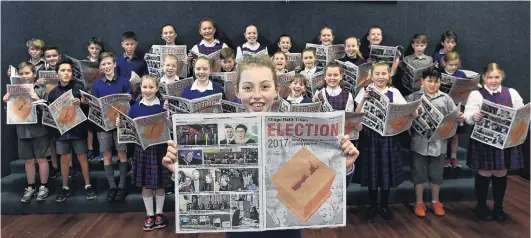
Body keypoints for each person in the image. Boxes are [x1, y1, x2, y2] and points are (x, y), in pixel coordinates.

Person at [162, 55, 359, 238]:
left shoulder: (297, 134)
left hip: (285, 232)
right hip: (241, 232)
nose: (257, 95)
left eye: (265, 87)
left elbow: (319, 191)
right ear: (237, 91)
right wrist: (181, 171)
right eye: (248, 88)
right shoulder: (224, 136)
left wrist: (346, 166)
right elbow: (208, 187)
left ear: (276, 89)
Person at [354, 61, 418, 220]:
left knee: (385, 172)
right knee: (372, 172)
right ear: (371, 75)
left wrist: (413, 113)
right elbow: (356, 114)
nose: (381, 77)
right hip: (370, 137)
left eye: (384, 74)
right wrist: (364, 100)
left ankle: (384, 205)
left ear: (389, 75)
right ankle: (372, 205)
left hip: (389, 137)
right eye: (377, 74)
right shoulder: (365, 91)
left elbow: (405, 111)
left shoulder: (394, 92)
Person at [463, 63, 525, 222]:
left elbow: (521, 112)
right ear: (484, 78)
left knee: (501, 173)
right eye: (490, 77)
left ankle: (498, 207)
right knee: (484, 172)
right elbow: (467, 115)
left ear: (502, 76)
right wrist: (474, 116)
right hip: (484, 141)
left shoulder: (511, 93)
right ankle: (481, 206)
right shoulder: (476, 95)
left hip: (504, 141)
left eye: (496, 77)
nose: (493, 80)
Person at [115, 74, 170, 231]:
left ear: (157, 89)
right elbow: (129, 129)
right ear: (140, 88)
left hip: (160, 149)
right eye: (145, 87)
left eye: (151, 87)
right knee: (146, 184)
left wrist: (168, 115)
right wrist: (120, 123)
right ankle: (150, 214)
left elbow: (169, 127)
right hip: (142, 150)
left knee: (160, 183)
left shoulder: (162, 107)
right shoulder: (135, 108)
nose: (148, 90)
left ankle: (159, 213)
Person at [406, 69, 464, 217]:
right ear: (422, 81)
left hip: (440, 144)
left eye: (436, 81)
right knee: (419, 174)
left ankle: (435, 201)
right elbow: (403, 120)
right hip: (419, 143)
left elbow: (455, 117)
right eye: (429, 81)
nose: (433, 84)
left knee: (436, 174)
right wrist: (411, 115)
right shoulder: (413, 97)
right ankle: (419, 202)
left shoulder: (446, 99)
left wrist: (459, 118)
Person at [47, 60, 96, 203]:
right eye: (62, 70)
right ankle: (65, 187)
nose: (66, 73)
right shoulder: (53, 93)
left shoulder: (78, 88)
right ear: (57, 74)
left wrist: (81, 104)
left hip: (78, 130)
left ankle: (88, 185)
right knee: (64, 159)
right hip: (62, 132)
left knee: (82, 157)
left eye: (68, 70)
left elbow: (88, 109)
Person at [88, 52, 133, 202]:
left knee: (122, 154)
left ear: (114, 64)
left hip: (121, 125)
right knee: (106, 155)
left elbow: (130, 103)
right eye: (103, 64)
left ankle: (121, 186)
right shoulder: (97, 85)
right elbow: (94, 107)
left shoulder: (124, 82)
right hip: (104, 126)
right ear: (100, 67)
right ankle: (112, 186)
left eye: (109, 63)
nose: (106, 66)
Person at [3, 62, 51, 203]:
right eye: (22, 74)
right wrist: (7, 102)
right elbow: (11, 113)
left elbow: (48, 110)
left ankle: (44, 186)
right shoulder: (14, 90)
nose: (24, 76)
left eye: (27, 73)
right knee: (28, 160)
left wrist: (37, 98)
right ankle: (31, 187)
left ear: (34, 74)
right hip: (22, 130)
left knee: (41, 159)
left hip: (39, 129)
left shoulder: (41, 89)